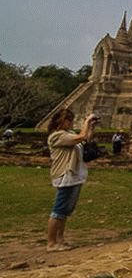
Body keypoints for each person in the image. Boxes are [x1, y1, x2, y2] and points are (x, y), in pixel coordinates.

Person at [46, 108, 97, 251]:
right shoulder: (57, 136)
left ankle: (60, 239)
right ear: (60, 121)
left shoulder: (69, 134)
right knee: (58, 210)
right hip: (65, 174)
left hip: (74, 174)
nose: (70, 122)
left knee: (65, 210)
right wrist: (86, 121)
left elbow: (84, 139)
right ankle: (51, 243)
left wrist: (91, 127)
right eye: (68, 120)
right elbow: (80, 137)